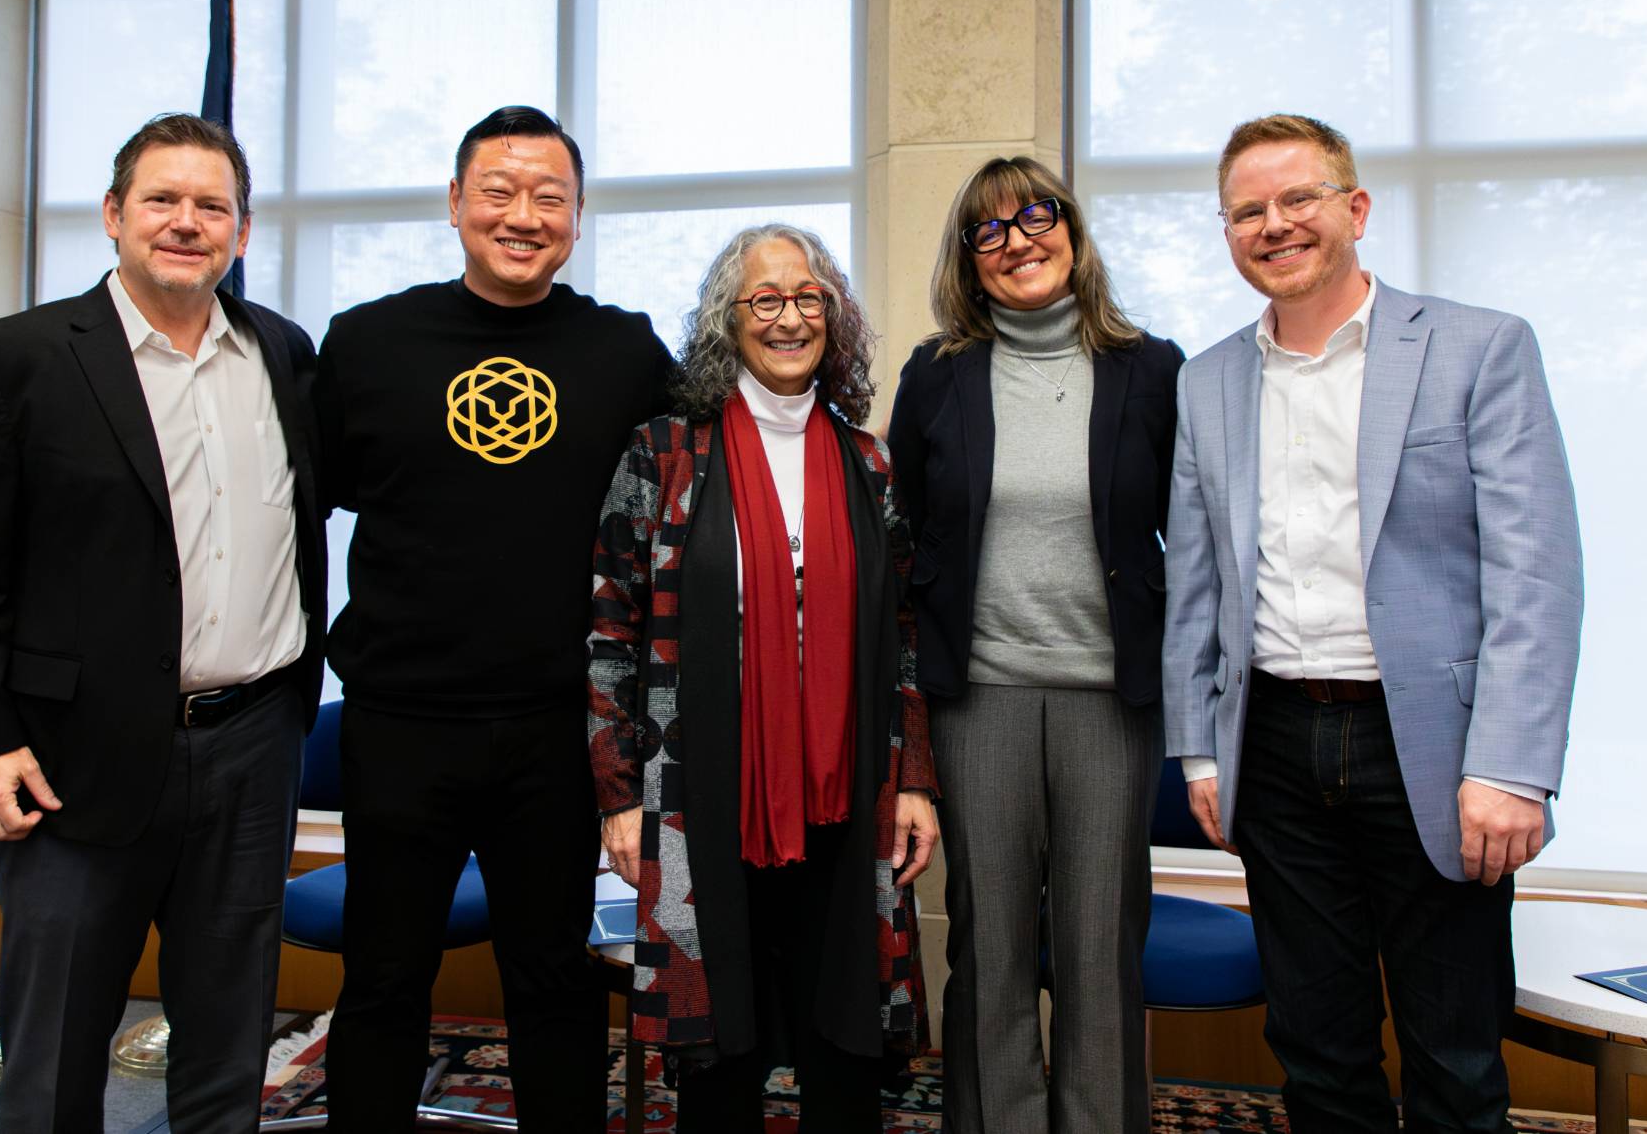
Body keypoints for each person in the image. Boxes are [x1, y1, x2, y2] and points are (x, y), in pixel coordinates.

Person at [1163, 113, 1584, 1133]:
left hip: (1432, 752)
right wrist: (1196, 754)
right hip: (1269, 744)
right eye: (1247, 210)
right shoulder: (1206, 378)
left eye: (1296, 198)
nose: (1274, 225)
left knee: (1451, 1048)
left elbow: (1533, 571)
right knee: (1315, 1045)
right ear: (1227, 233)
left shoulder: (1477, 347)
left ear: (1352, 208)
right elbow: (1197, 588)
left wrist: (1511, 765)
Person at [0, 114, 325, 1132]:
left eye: (211, 205)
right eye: (162, 200)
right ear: (112, 214)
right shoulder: (11, 362)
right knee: (56, 1052)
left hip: (250, 749)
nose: (186, 223)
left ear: (238, 227)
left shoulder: (283, 352)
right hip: (68, 760)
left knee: (228, 1043)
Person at [316, 105, 674, 1131]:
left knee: (553, 979)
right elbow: (301, 502)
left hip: (557, 731)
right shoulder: (366, 343)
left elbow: (677, 515)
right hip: (398, 724)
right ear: (454, 203)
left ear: (575, 216)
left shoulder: (623, 352)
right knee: (383, 978)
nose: (522, 215)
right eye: (498, 191)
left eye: (548, 196)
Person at [588, 224, 939, 1133]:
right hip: (700, 790)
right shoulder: (664, 453)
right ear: (727, 321)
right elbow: (610, 627)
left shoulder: (869, 462)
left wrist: (914, 783)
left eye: (809, 297)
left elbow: (905, 632)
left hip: (847, 790)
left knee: (845, 1028)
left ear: (835, 316)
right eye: (766, 299)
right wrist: (618, 794)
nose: (790, 318)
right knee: (720, 1035)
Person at [886, 157, 1182, 1133]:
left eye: (1035, 216)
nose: (1018, 242)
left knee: (1099, 945)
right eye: (989, 231)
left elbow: (1193, 535)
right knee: (990, 942)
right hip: (980, 700)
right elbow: (910, 538)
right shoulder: (935, 376)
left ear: (1072, 229)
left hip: (1109, 701)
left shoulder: (1151, 368)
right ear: (969, 262)